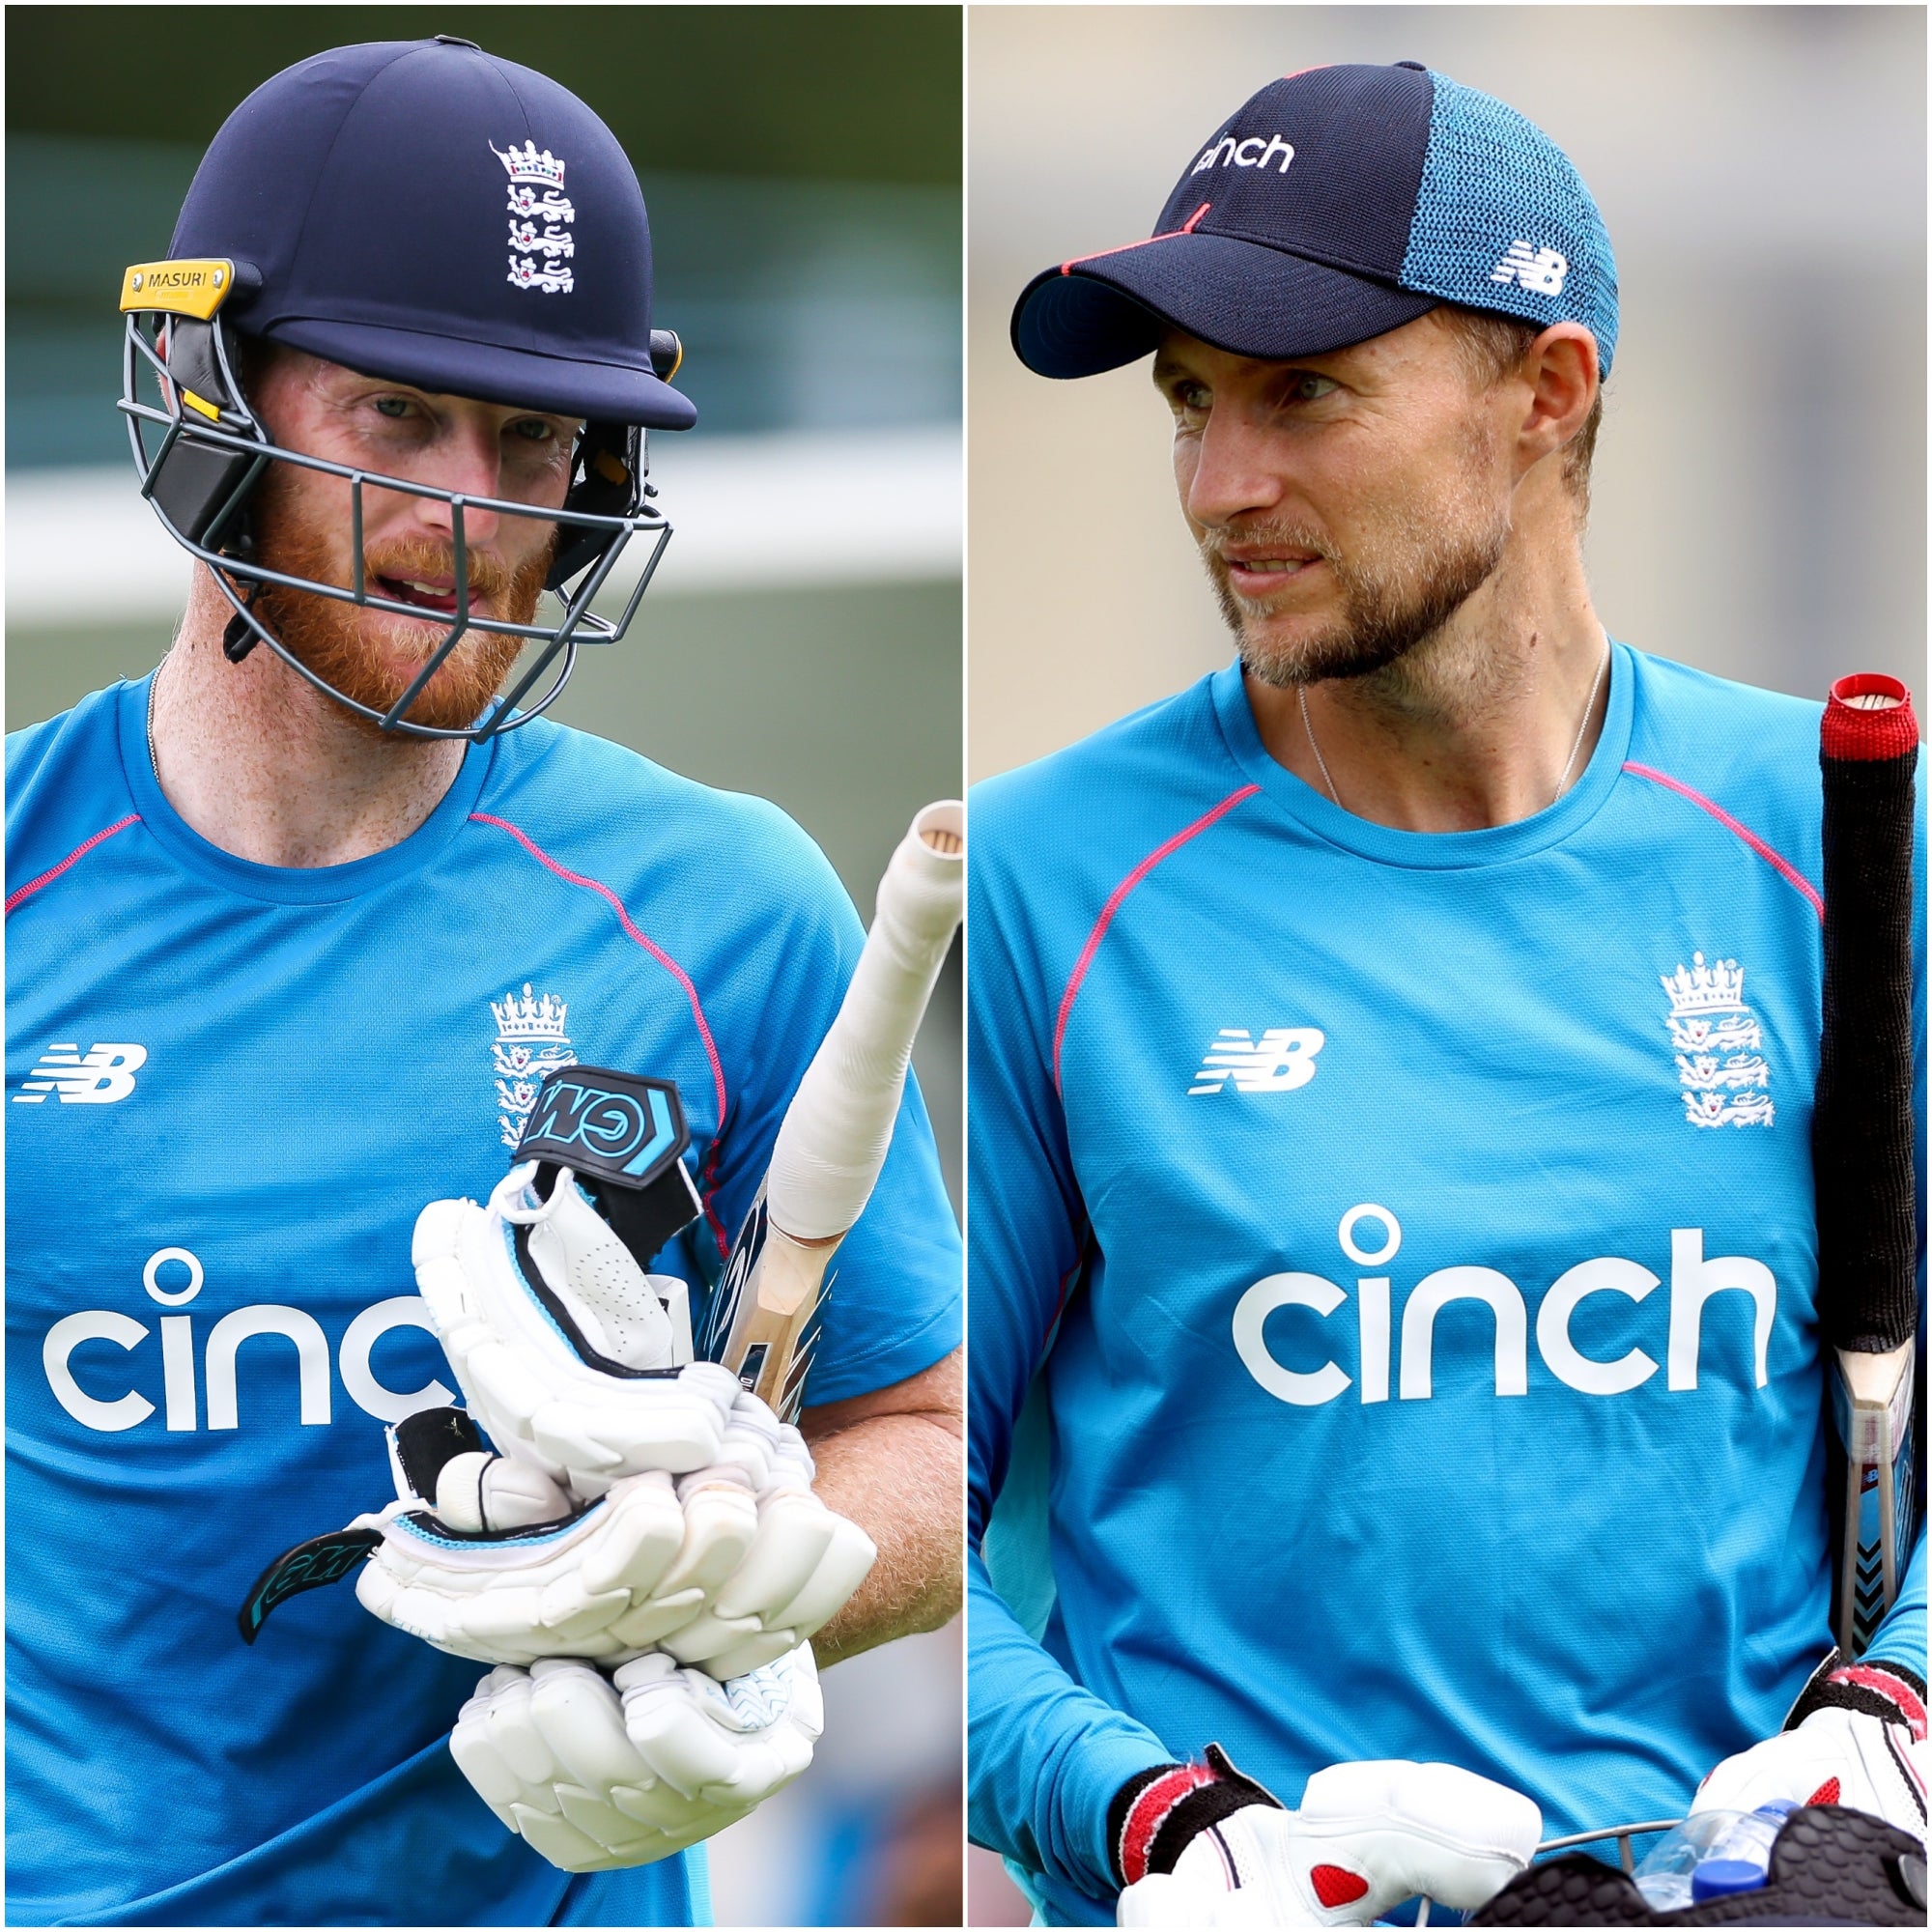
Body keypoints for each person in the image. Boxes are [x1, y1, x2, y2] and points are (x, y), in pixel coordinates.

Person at [7, 39, 961, 1928]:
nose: (474, 511)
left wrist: (726, 1603)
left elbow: (922, 1444)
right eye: (396, 416)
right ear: (204, 401)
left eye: (534, 441)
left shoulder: (728, 906)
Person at [967, 60, 1924, 1926]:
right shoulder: (1037, 882)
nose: (1224, 487)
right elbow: (900, 1509)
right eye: (1188, 406)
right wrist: (1153, 1820)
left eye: (1303, 393)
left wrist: (1886, 1732)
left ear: (1545, 393)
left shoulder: (1845, 837)